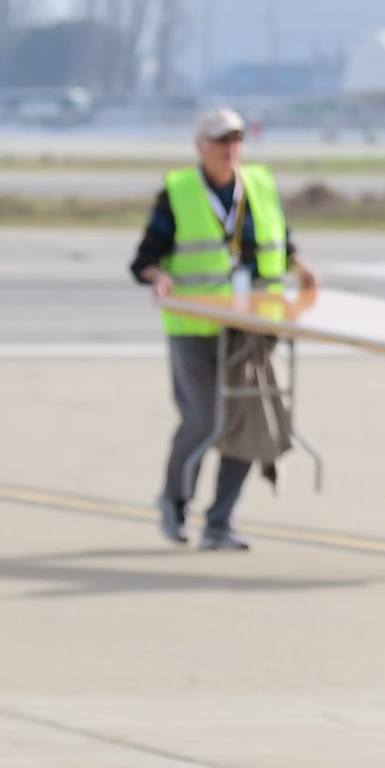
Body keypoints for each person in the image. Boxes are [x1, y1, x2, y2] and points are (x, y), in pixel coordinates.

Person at [128, 105, 312, 551]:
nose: (231, 149)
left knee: (248, 421)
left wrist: (300, 269)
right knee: (204, 420)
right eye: (220, 141)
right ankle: (174, 501)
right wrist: (160, 276)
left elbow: (282, 244)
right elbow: (144, 260)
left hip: (251, 327)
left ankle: (220, 523)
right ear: (200, 147)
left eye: (236, 140)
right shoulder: (179, 192)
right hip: (195, 327)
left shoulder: (260, 186)